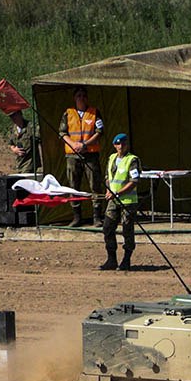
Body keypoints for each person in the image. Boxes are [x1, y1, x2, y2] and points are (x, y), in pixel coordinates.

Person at [58, 86, 104, 227]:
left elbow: (99, 131)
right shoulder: (68, 113)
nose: (81, 98)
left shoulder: (94, 112)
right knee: (73, 187)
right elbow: (62, 133)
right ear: (74, 98)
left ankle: (97, 217)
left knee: (95, 185)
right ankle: (77, 217)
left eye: (84, 95)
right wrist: (73, 144)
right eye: (78, 95)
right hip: (72, 156)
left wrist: (85, 144)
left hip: (90, 154)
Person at [99, 133, 141, 271]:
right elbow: (108, 177)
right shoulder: (111, 158)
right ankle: (111, 259)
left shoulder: (132, 160)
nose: (120, 146)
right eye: (118, 144)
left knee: (127, 229)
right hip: (113, 200)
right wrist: (108, 190)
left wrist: (117, 193)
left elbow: (134, 181)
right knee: (107, 227)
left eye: (123, 143)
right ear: (114, 145)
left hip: (128, 201)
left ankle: (126, 259)